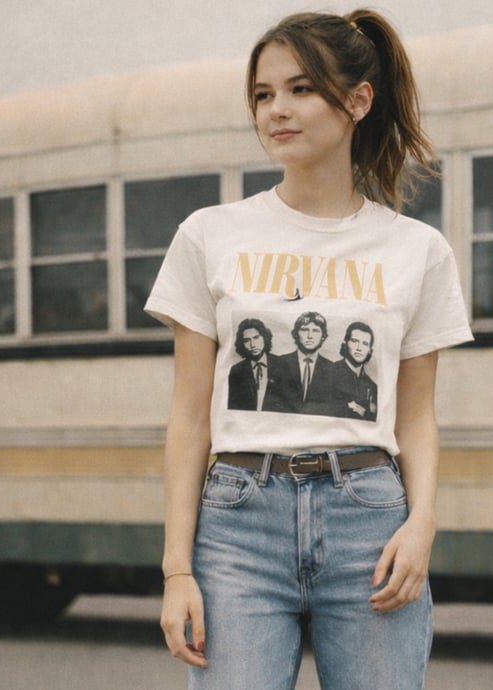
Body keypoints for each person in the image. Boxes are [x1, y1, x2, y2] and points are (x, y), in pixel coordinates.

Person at [145, 9, 473, 689]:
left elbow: (416, 415)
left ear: (359, 101)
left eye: (301, 89)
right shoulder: (209, 234)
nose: (277, 110)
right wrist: (178, 569)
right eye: (263, 94)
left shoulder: (417, 250)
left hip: (369, 520)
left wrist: (422, 525)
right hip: (238, 521)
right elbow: (189, 416)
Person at [227, 317, 288, 412]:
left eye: (256, 338)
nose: (252, 345)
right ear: (242, 344)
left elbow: (289, 404)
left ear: (265, 337)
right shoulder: (237, 370)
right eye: (247, 340)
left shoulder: (282, 365)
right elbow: (233, 408)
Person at [280, 311, 333, 415]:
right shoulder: (280, 363)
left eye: (315, 331)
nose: (310, 336)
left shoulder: (332, 368)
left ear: (323, 336)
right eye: (304, 330)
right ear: (296, 334)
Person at [330, 321, 378, 421]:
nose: (359, 348)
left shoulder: (372, 386)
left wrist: (363, 412)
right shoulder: (328, 372)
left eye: (365, 344)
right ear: (345, 343)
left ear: (370, 350)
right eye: (355, 341)